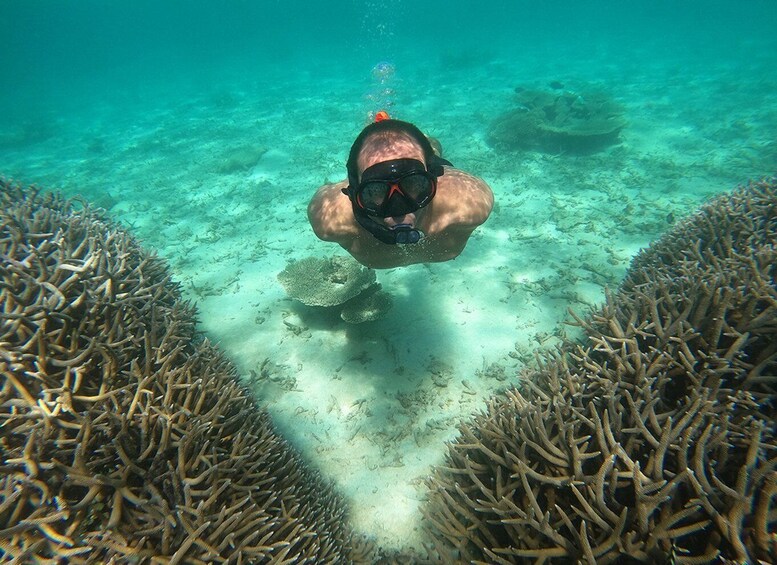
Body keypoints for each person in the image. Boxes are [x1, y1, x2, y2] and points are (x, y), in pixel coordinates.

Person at [307, 114, 494, 269]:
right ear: (354, 191)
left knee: (433, 152)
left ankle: (423, 147)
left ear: (433, 180)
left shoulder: (468, 206)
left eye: (414, 184)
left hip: (432, 167)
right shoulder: (331, 223)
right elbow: (325, 197)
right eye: (376, 191)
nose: (399, 209)